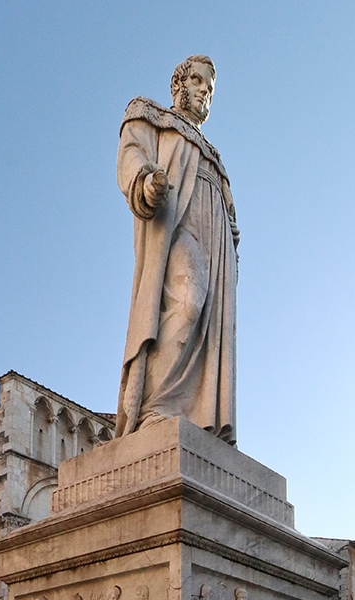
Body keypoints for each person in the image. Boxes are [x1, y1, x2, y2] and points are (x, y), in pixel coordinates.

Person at [115, 55, 238, 443]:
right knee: (188, 300)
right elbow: (132, 152)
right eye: (198, 82)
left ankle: (196, 413)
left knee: (209, 322)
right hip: (176, 223)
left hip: (215, 241)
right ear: (178, 85)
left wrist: (231, 231)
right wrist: (146, 180)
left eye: (210, 89)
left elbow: (230, 211)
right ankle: (157, 405)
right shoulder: (150, 116)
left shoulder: (215, 157)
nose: (205, 92)